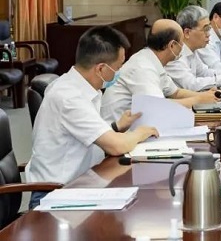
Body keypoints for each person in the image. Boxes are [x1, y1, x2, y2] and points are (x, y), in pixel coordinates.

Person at [27, 26, 159, 208]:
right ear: (101, 69)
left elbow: (84, 134)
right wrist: (141, 132)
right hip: (56, 195)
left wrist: (116, 127)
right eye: (118, 67)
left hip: (81, 184)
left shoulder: (81, 87)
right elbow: (116, 146)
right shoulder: (69, 96)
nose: (120, 72)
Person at [101, 19, 221, 122]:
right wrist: (198, 100)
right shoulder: (143, 67)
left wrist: (205, 96)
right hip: (119, 132)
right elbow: (157, 107)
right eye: (181, 43)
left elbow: (175, 92)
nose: (183, 47)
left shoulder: (153, 61)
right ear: (172, 45)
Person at [166, 5, 221, 91]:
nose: (209, 34)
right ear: (187, 33)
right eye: (205, 29)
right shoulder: (174, 55)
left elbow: (205, 72)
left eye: (209, 29)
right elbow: (192, 84)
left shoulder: (192, 51)